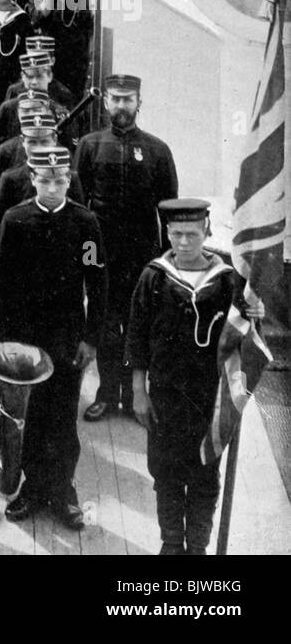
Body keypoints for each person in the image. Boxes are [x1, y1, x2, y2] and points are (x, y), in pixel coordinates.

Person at [126, 198, 262, 555]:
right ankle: (172, 543)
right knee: (166, 473)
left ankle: (197, 546)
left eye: (191, 234)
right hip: (165, 397)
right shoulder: (153, 277)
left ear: (206, 232)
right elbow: (137, 337)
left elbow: (245, 336)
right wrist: (139, 390)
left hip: (210, 397)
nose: (183, 242)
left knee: (204, 476)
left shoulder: (228, 281)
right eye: (176, 234)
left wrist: (256, 313)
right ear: (167, 233)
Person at [0, 146, 107, 529]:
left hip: (67, 339)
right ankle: (32, 488)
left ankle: (62, 490)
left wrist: (90, 338)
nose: (53, 187)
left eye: (61, 180)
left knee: (62, 418)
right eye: (46, 179)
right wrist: (5, 345)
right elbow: (2, 285)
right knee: (32, 418)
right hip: (25, 344)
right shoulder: (15, 219)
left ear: (69, 180)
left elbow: (97, 281)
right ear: (34, 180)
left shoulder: (86, 224)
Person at [74, 74, 177, 422]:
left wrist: (166, 261)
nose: (121, 105)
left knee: (139, 325)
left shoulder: (157, 150)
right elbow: (79, 209)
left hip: (143, 256)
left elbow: (168, 212)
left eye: (128, 99)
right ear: (105, 101)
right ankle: (106, 394)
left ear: (139, 103)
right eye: (115, 99)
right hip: (101, 254)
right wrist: (85, 258)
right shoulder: (89, 146)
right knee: (104, 323)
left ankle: (136, 396)